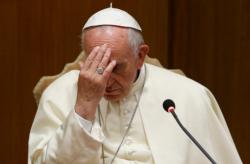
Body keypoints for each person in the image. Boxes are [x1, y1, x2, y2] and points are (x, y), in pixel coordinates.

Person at [28, 7, 242, 164]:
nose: (106, 81)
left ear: (140, 56)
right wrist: (84, 105)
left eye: (116, 67)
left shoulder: (189, 96)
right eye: (98, 65)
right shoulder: (59, 93)